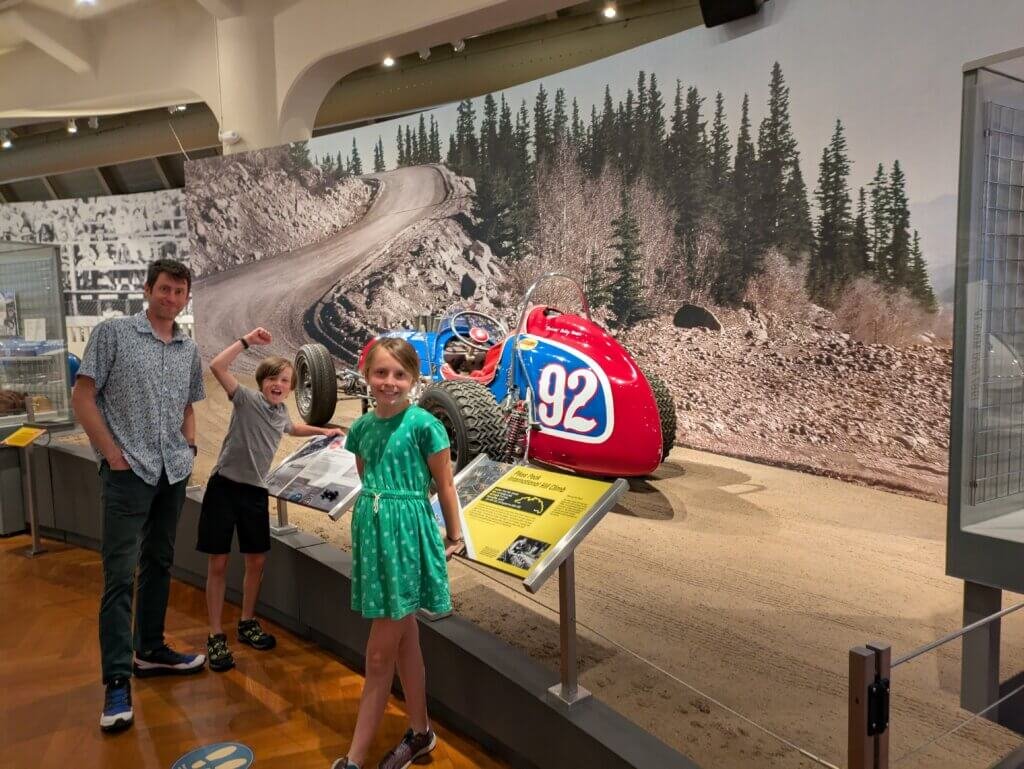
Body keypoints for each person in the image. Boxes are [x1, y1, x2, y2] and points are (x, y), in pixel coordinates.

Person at [72, 258, 206, 735]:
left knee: (160, 561)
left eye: (179, 292)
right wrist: (111, 453)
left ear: (186, 298)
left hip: (171, 471)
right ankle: (116, 680)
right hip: (127, 472)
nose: (171, 298)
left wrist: (189, 446)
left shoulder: (188, 347)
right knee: (118, 575)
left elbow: (188, 403)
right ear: (148, 289)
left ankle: (150, 649)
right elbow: (83, 395)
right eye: (164, 289)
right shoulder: (114, 334)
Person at [332, 337, 465, 769]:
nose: (390, 382)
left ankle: (353, 759)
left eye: (399, 374)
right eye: (381, 373)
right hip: (376, 540)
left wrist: (455, 535)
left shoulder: (425, 425)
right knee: (406, 643)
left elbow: (444, 484)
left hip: (407, 538)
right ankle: (421, 733)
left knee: (377, 655)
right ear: (367, 375)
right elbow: (368, 479)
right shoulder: (362, 428)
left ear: (413, 378)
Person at [199, 327, 342, 672]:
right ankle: (215, 634)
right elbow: (218, 367)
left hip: (254, 494)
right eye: (273, 378)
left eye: (286, 381)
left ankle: (247, 622)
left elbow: (292, 429)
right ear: (262, 381)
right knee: (218, 564)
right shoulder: (246, 399)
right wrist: (246, 341)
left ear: (291, 389)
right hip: (223, 489)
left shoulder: (280, 414)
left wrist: (324, 431)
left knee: (256, 562)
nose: (279, 384)